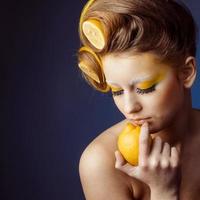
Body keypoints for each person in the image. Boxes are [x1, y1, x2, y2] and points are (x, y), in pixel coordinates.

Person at [77, 0, 199, 199]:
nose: (129, 107)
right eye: (116, 91)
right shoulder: (101, 162)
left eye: (145, 88)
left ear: (186, 73)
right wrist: (164, 192)